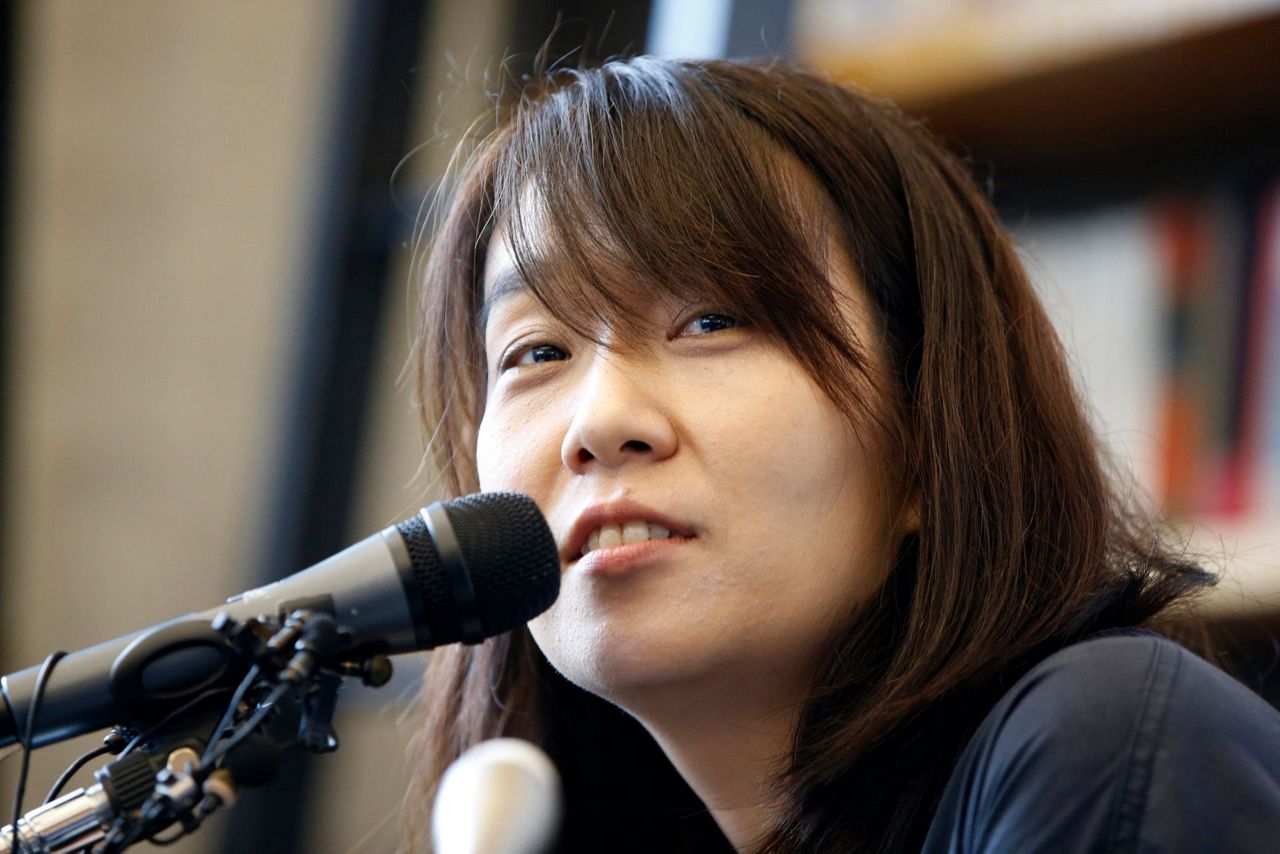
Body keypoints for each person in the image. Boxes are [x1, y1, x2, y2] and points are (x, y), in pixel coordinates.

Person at [402, 56, 1280, 852]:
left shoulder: (1101, 744)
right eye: (536, 352)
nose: (596, 422)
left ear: (927, 435)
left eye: (711, 321)